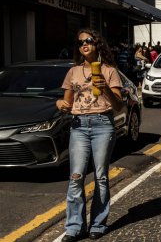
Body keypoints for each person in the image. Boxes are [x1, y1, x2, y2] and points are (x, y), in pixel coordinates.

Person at [56, 28, 123, 242]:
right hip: (79, 125)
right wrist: (60, 104)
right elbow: (66, 102)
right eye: (80, 42)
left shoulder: (109, 70)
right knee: (76, 177)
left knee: (101, 177)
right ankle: (75, 226)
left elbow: (119, 107)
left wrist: (105, 89)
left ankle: (97, 224)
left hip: (103, 123)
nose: (84, 44)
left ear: (97, 44)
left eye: (89, 41)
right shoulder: (73, 72)